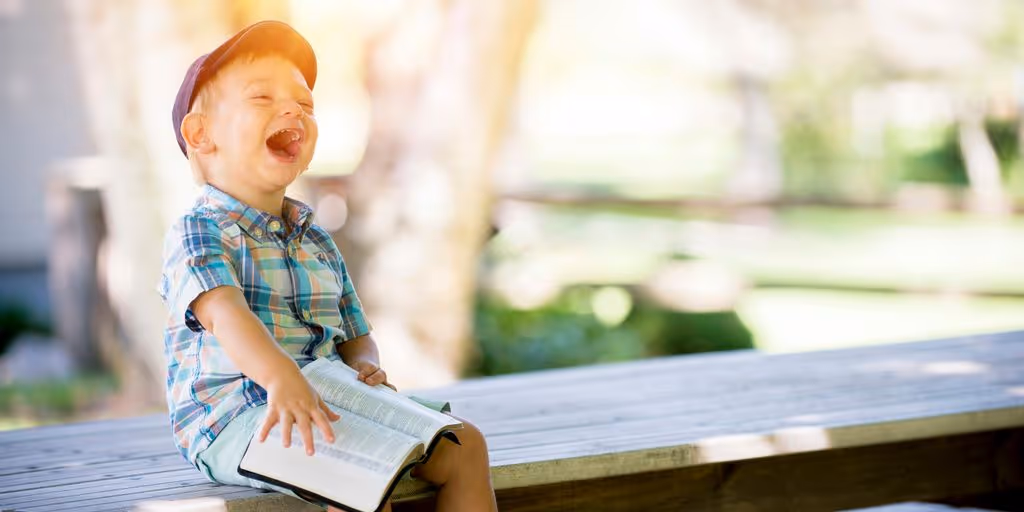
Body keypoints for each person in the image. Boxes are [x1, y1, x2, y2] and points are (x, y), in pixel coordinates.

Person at [158, 20, 497, 512]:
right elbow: (225, 314)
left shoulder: (315, 237)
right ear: (201, 133)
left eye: (305, 103)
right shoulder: (200, 229)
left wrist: (365, 364)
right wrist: (280, 378)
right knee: (353, 471)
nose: (293, 109)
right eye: (261, 98)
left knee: (465, 446)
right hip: (236, 416)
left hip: (328, 398)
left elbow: (356, 332)